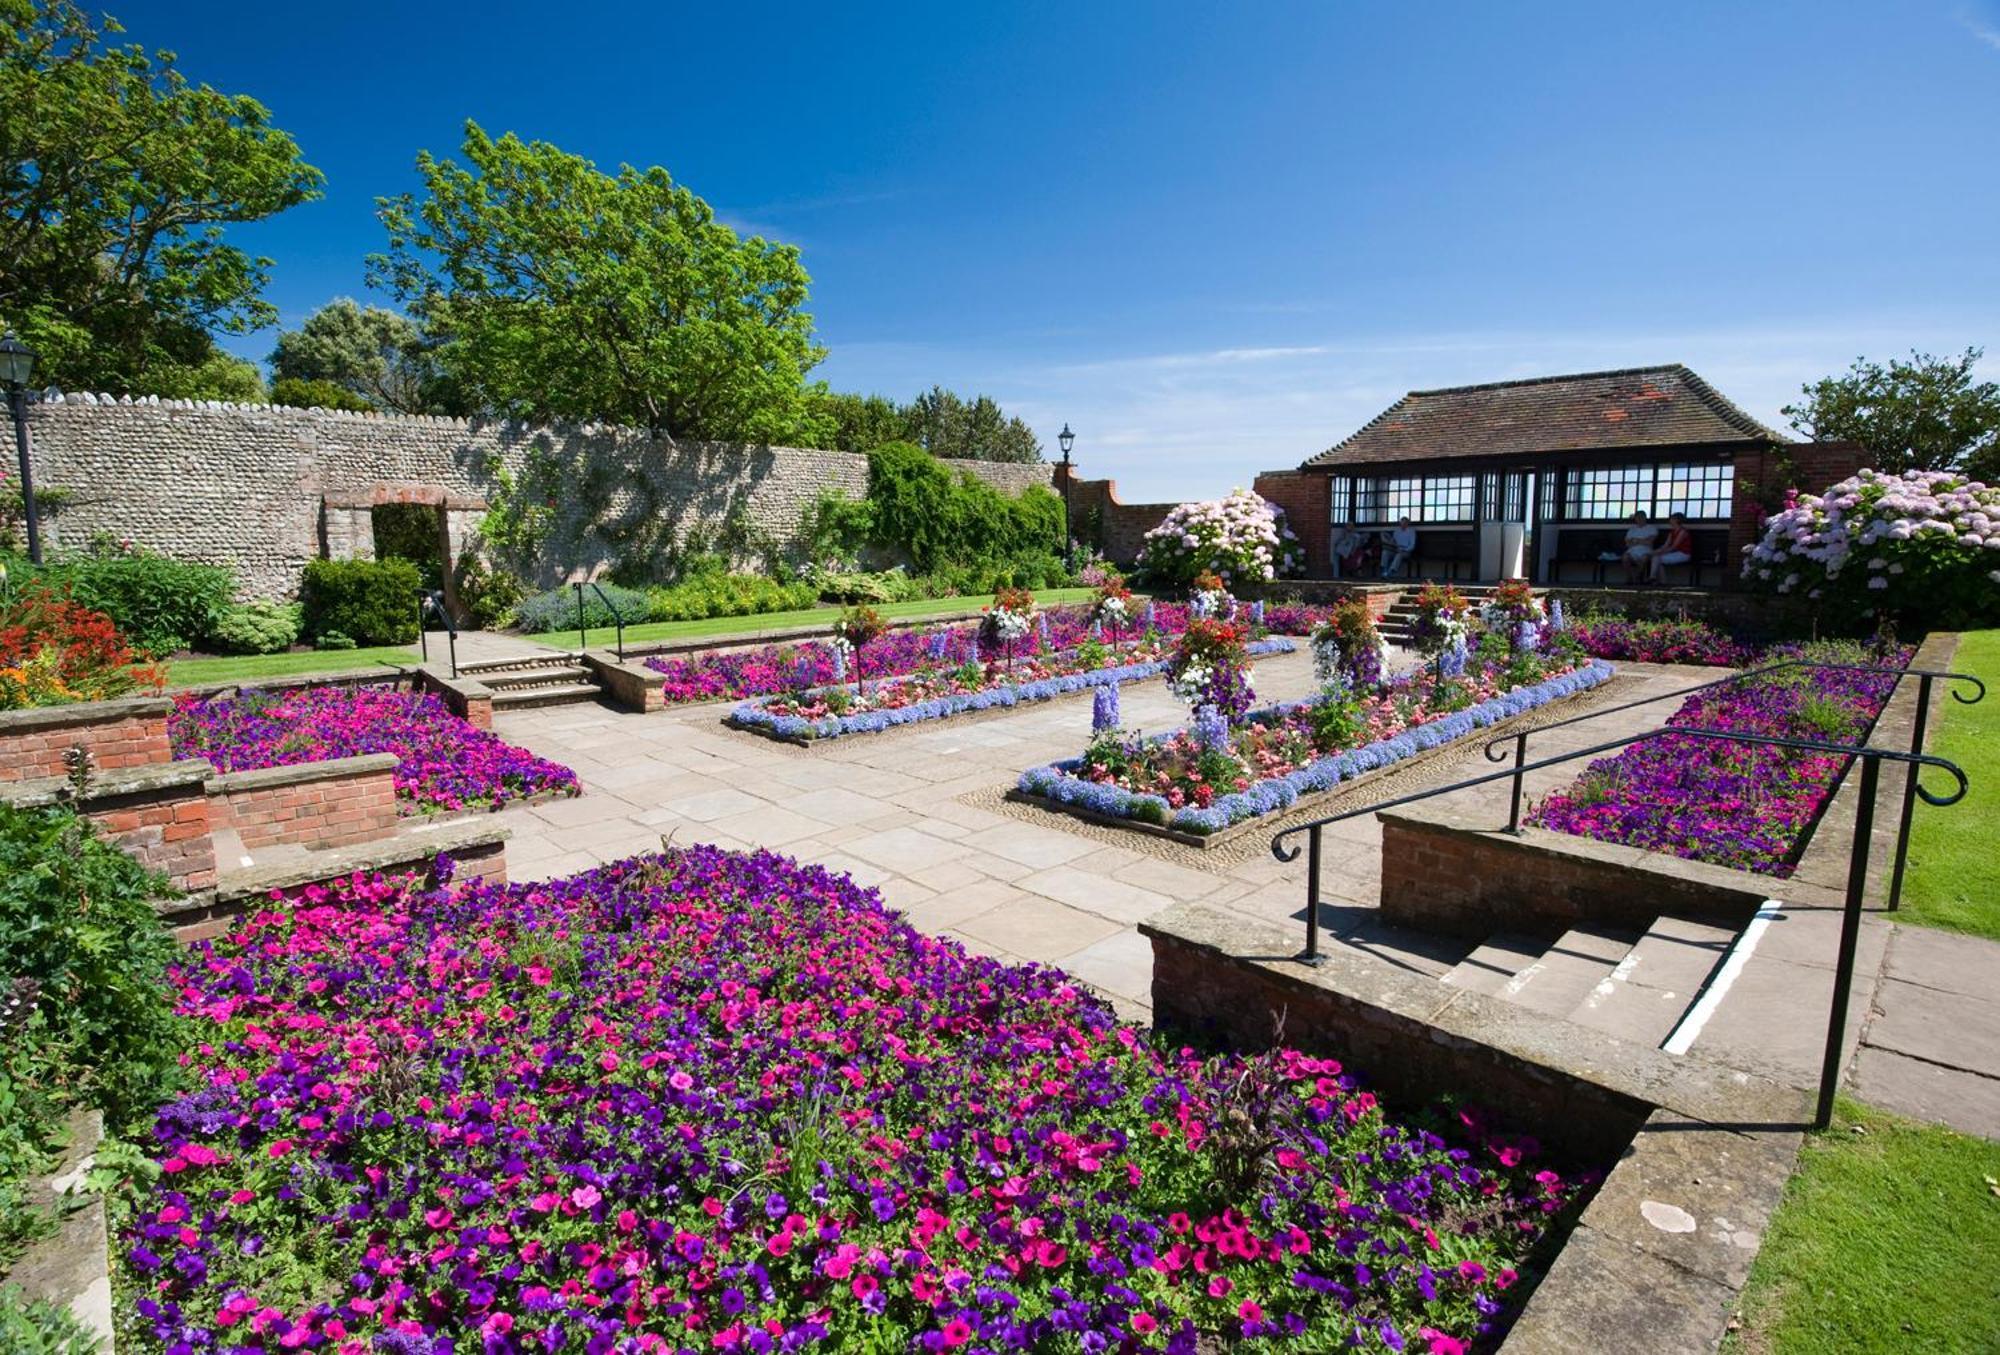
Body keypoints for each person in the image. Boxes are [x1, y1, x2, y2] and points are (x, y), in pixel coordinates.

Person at [1649, 511, 1694, 584]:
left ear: (1677, 520)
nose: (1670, 520)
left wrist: (1659, 553)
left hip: (1684, 554)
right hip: (1675, 553)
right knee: (1656, 558)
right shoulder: (1672, 532)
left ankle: (1653, 578)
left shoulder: (1683, 532)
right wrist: (1655, 552)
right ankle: (1660, 581)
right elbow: (1665, 545)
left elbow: (1674, 547)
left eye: (1672, 518)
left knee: (1658, 558)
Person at [1620, 510, 1658, 585]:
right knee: (1625, 557)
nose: (1639, 519)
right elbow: (1627, 543)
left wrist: (1636, 540)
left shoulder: (1651, 528)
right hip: (1632, 550)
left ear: (1645, 518)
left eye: (1641, 517)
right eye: (1637, 517)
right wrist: (1642, 540)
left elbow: (1650, 541)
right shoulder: (1632, 529)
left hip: (1646, 550)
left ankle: (1637, 577)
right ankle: (1630, 577)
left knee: (1644, 559)